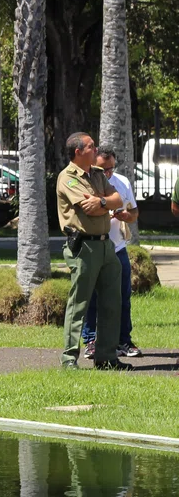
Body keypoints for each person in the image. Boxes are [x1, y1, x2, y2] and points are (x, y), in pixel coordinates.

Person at [56, 132, 131, 370]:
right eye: (91, 146)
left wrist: (100, 201)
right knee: (79, 303)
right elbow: (87, 210)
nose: (96, 149)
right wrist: (103, 203)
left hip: (106, 245)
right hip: (84, 246)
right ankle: (69, 358)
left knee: (112, 302)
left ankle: (106, 358)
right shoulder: (67, 177)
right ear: (78, 152)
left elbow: (118, 199)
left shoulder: (97, 174)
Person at [81, 148, 141, 359]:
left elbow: (134, 213)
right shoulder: (85, 181)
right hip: (94, 247)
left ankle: (123, 340)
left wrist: (126, 215)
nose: (107, 173)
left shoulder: (122, 182)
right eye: (102, 168)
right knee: (93, 297)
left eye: (110, 168)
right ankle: (90, 340)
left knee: (123, 297)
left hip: (117, 248)